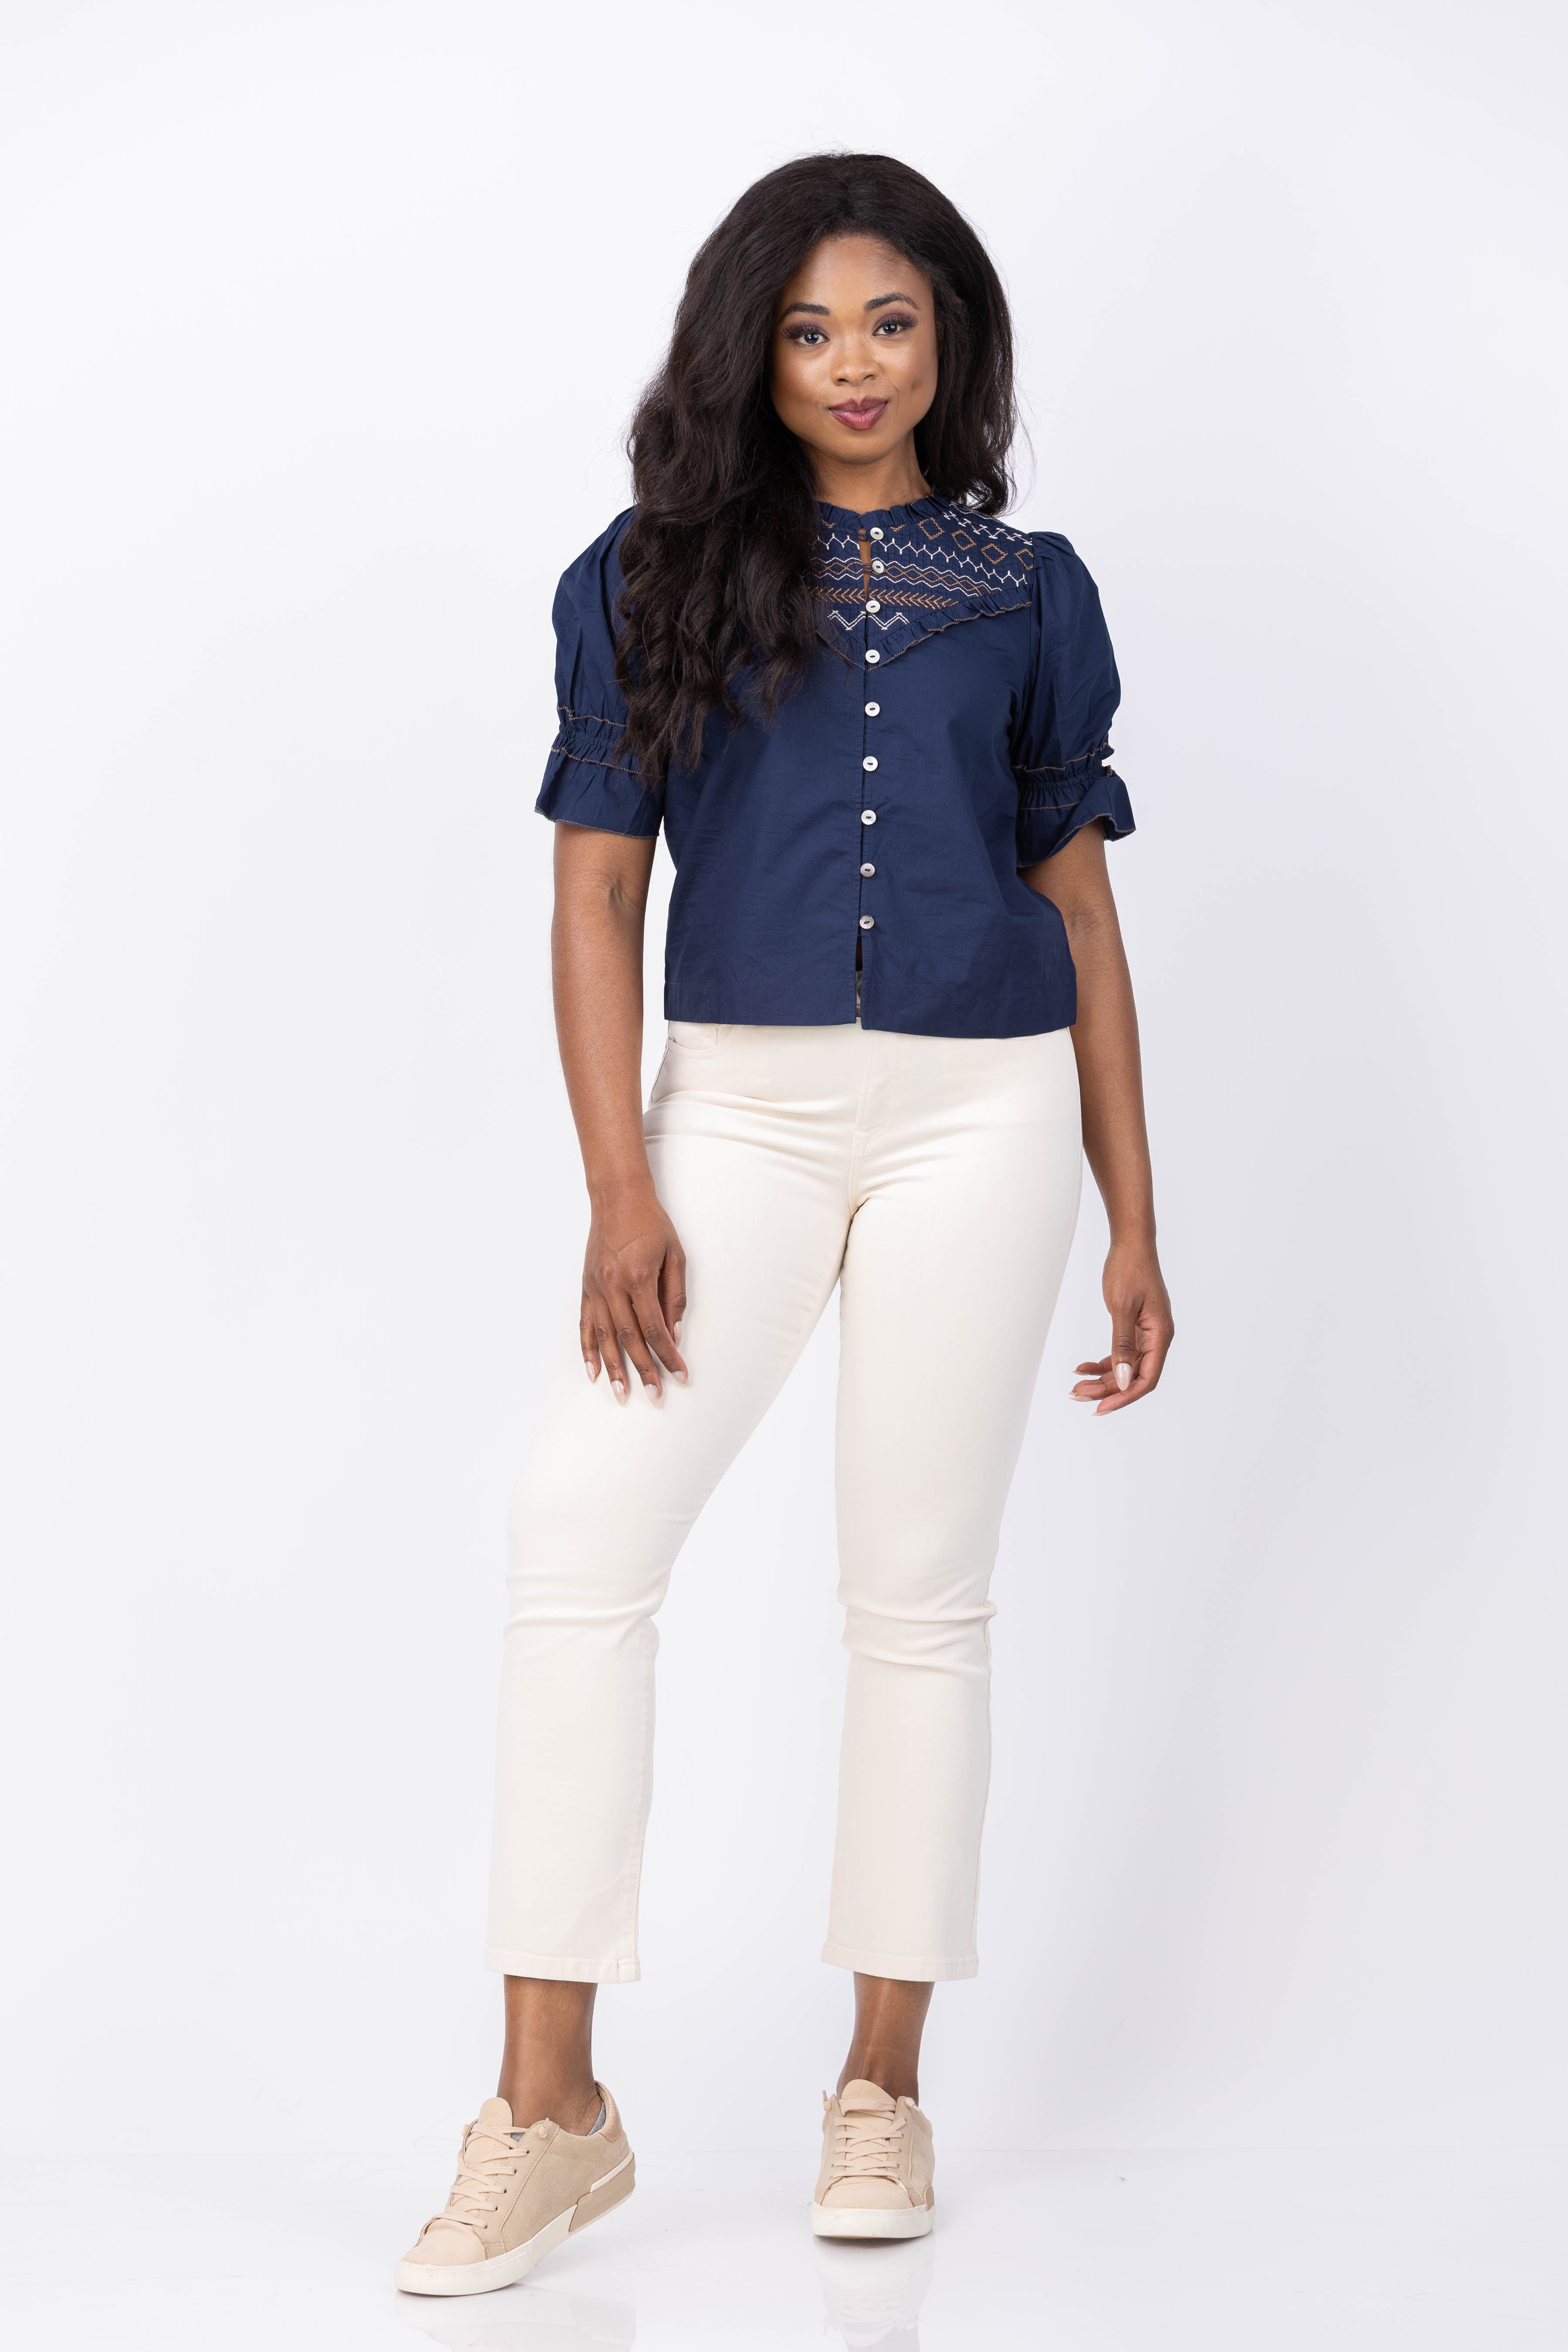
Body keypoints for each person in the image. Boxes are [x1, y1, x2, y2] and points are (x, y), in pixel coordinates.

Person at [395, 151, 1173, 2298]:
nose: (851, 364)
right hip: (731, 1111)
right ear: (753, 347)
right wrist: (619, 1186)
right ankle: (548, 2111)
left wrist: (1135, 1215)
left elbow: (1086, 919)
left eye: (890, 323)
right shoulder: (648, 578)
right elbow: (595, 892)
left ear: (950, 341)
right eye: (811, 327)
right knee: (581, 1535)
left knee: (916, 1596)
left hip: (985, 1120)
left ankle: (881, 2087)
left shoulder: (1031, 593)